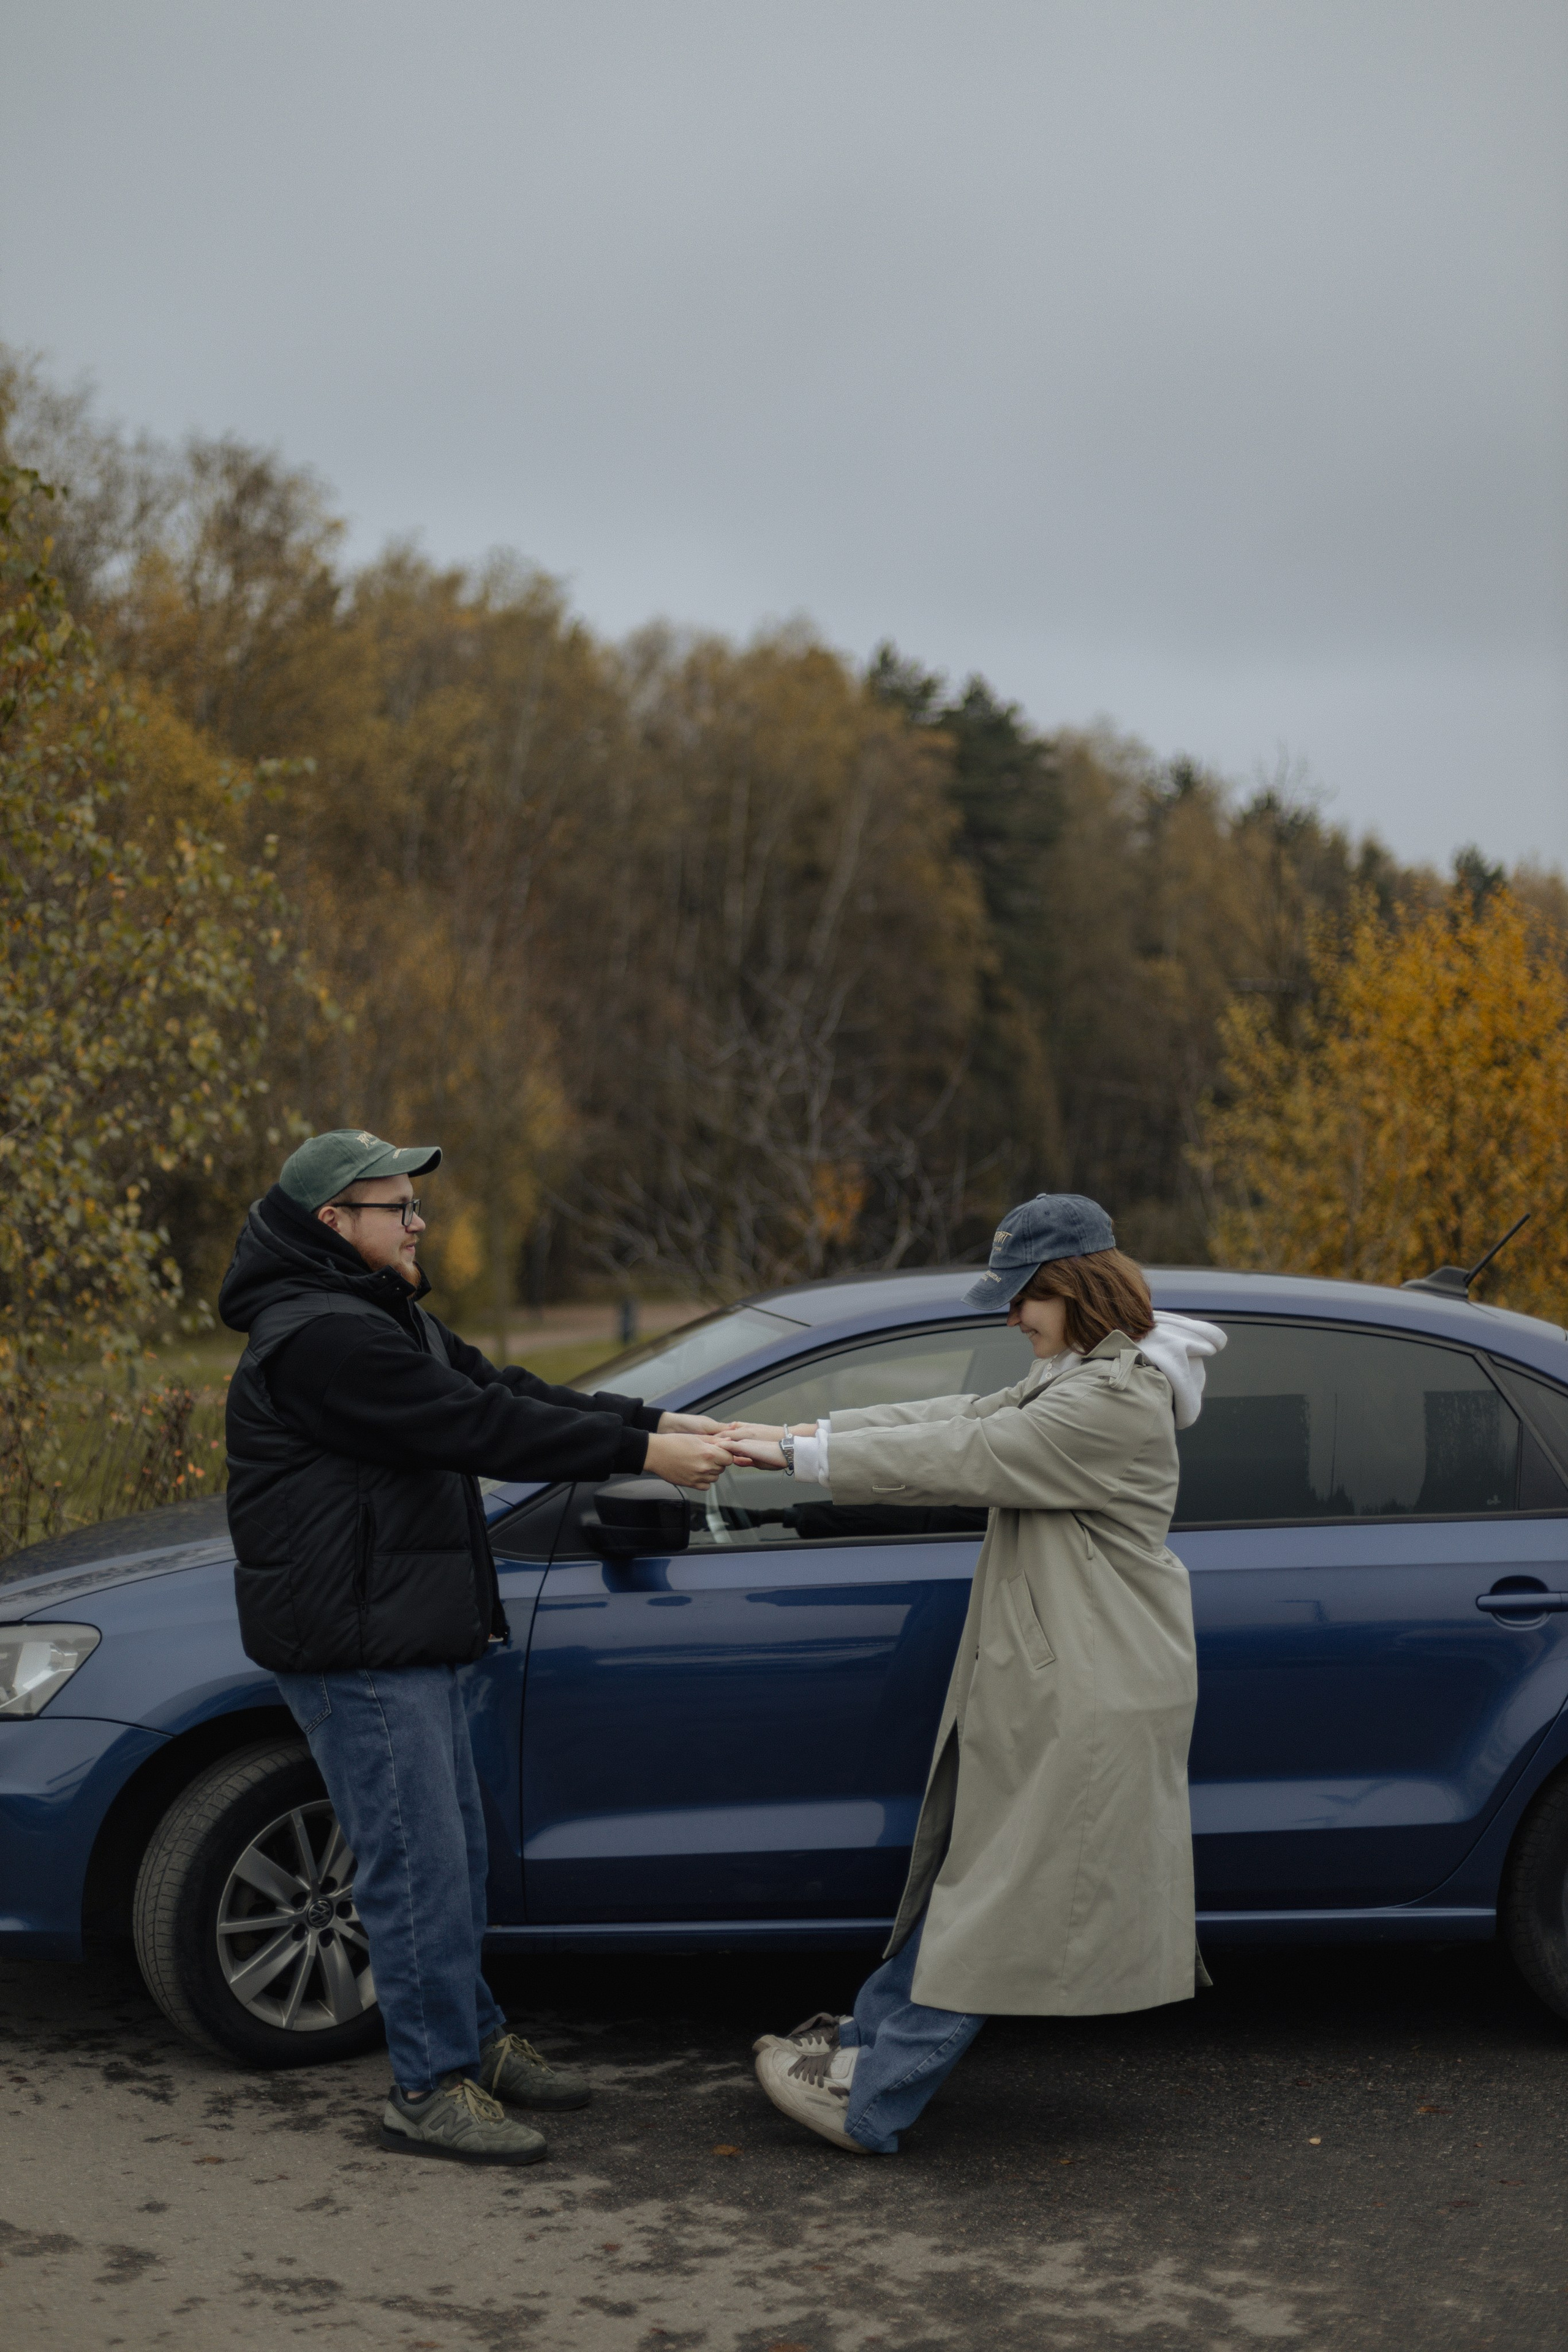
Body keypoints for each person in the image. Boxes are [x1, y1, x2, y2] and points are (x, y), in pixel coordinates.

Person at [220, 1128, 736, 2165]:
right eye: (398, 1208)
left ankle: (476, 2041)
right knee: (417, 1871)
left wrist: (654, 1414)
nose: (420, 1224)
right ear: (334, 1223)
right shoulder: (320, 1337)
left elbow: (506, 1389)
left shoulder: (378, 1313)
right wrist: (643, 1454)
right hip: (358, 1645)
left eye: (417, 1205)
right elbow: (478, 1428)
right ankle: (427, 2088)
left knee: (451, 1857)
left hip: (402, 1632)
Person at [726, 1192, 1224, 2156]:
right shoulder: (1082, 1375)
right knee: (977, 1883)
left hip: (1091, 1692)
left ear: (1071, 1287)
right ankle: (869, 2041)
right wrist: (791, 1434)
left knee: (999, 1907)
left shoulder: (1111, 1402)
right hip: (1070, 1683)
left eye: (1023, 1298)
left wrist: (797, 1455)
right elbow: (953, 1411)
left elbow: (968, 1450)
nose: (1010, 1317)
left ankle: (871, 2098)